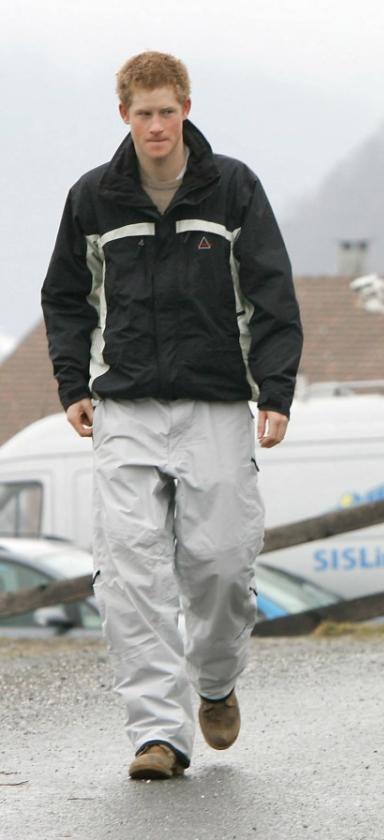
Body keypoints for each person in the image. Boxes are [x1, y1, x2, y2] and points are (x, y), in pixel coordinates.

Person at [41, 51, 303, 780]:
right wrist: (73, 385)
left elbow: (273, 292)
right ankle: (158, 732)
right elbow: (65, 298)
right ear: (122, 115)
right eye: (141, 112)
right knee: (129, 571)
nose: (155, 125)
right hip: (124, 406)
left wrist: (275, 393)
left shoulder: (234, 189)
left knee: (220, 564)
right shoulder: (93, 198)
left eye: (166, 110)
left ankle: (215, 680)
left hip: (217, 402)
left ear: (186, 107)